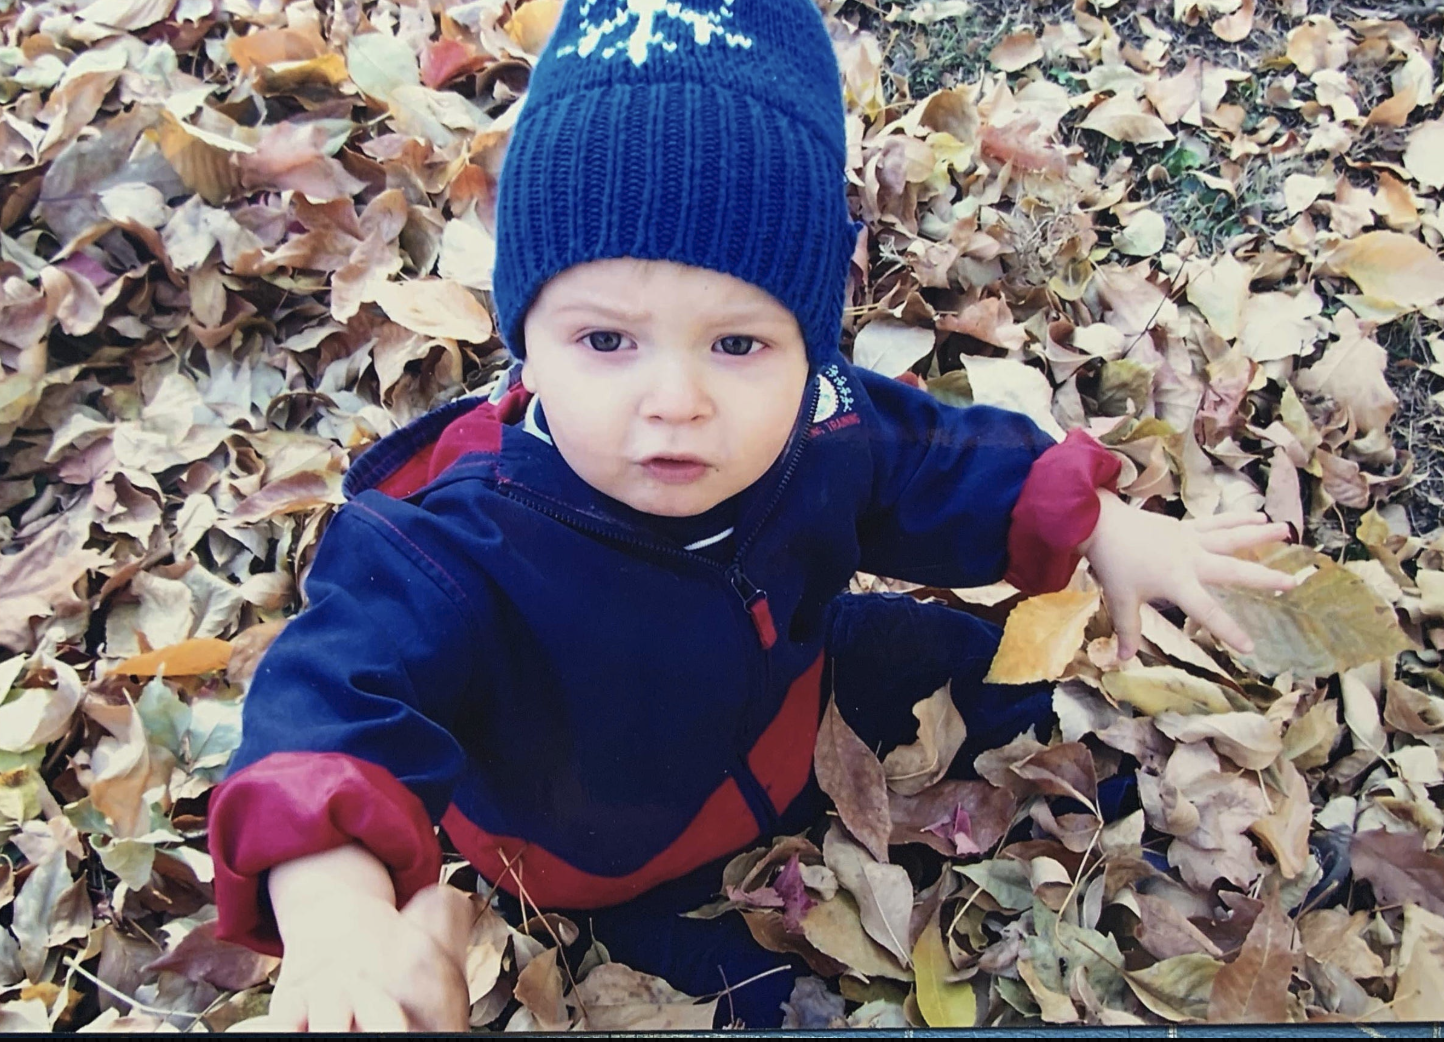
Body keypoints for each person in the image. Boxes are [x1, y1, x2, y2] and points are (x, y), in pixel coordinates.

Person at [206, 0, 1296, 1030]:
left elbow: (932, 458)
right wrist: (337, 914)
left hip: (789, 697)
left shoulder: (820, 425)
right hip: (603, 830)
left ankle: (1100, 798)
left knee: (980, 665)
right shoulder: (454, 545)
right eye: (604, 341)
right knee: (758, 990)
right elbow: (331, 699)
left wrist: (1103, 524)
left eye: (738, 343)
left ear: (810, 342)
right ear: (524, 338)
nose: (674, 399)